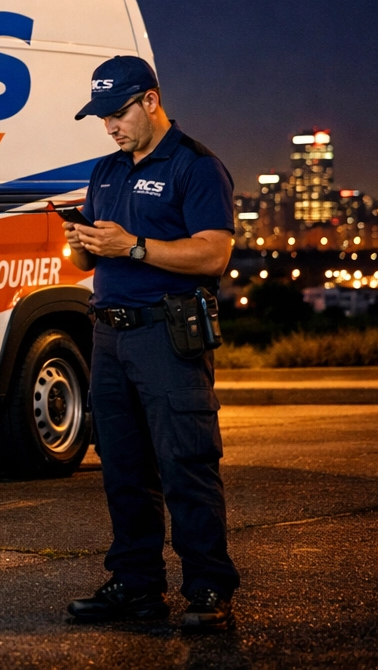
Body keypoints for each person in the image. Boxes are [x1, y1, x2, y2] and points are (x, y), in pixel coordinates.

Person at [62, 56, 240, 632]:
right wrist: (82, 241)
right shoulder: (106, 171)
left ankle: (209, 587)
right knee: (122, 467)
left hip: (168, 335)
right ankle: (136, 585)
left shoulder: (195, 165)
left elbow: (214, 252)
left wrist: (133, 246)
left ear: (151, 101)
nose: (110, 126)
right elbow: (93, 255)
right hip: (110, 336)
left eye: (118, 113)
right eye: (102, 117)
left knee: (185, 462)